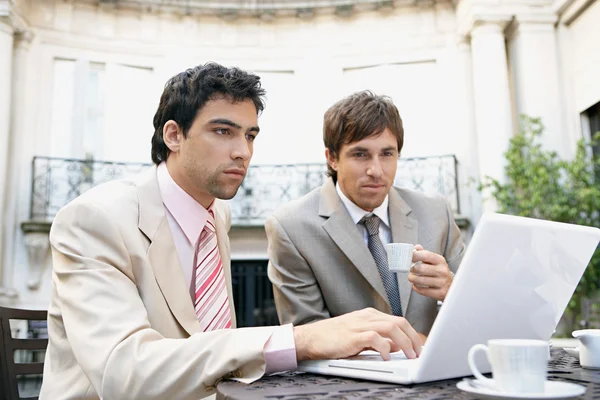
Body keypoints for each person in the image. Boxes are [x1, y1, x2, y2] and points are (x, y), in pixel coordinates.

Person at [39, 65, 423, 400]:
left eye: (250, 135)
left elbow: (208, 349)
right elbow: (123, 375)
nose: (243, 151)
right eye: (223, 131)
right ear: (173, 135)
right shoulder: (93, 219)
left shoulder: (217, 214)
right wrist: (299, 339)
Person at [266, 91, 465, 336]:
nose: (376, 170)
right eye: (360, 154)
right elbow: (307, 336)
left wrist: (451, 288)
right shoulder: (291, 227)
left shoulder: (436, 213)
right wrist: (411, 345)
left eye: (387, 154)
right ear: (332, 159)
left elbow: (478, 308)